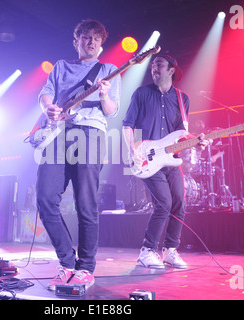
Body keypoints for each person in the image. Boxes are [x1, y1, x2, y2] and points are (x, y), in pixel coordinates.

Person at [35, 19, 120, 290]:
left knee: (86, 202)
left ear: (101, 45)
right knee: (45, 198)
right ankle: (66, 262)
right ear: (77, 41)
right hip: (58, 133)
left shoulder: (108, 70)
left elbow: (111, 110)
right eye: (86, 37)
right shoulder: (61, 66)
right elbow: (45, 94)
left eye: (96, 38)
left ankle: (85, 268)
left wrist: (105, 95)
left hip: (90, 133)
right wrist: (49, 108)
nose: (91, 41)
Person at [122, 54, 210, 269]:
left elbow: (182, 133)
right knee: (164, 204)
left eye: (159, 65)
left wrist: (197, 141)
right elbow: (127, 125)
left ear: (171, 70)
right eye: (152, 65)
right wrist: (132, 150)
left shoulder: (182, 99)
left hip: (171, 159)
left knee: (179, 203)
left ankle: (170, 250)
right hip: (147, 158)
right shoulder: (142, 93)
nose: (154, 68)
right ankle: (147, 250)